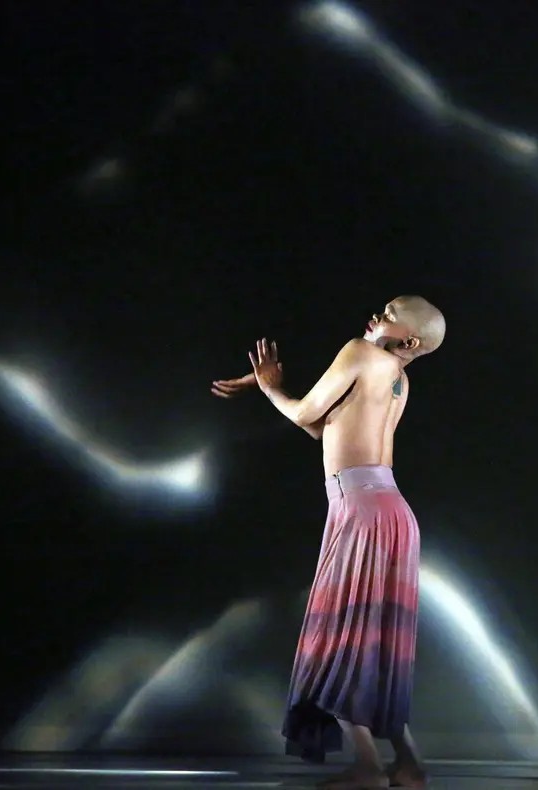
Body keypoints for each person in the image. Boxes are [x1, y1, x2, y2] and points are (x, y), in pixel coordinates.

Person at [212, 295, 445, 789]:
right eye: (383, 307)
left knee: (339, 637)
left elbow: (302, 417)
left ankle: (366, 768)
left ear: (409, 340)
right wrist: (272, 391)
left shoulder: (360, 352)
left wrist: (272, 388)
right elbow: (325, 430)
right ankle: (407, 764)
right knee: (375, 642)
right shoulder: (399, 379)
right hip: (391, 511)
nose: (377, 315)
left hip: (360, 509)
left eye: (390, 314)